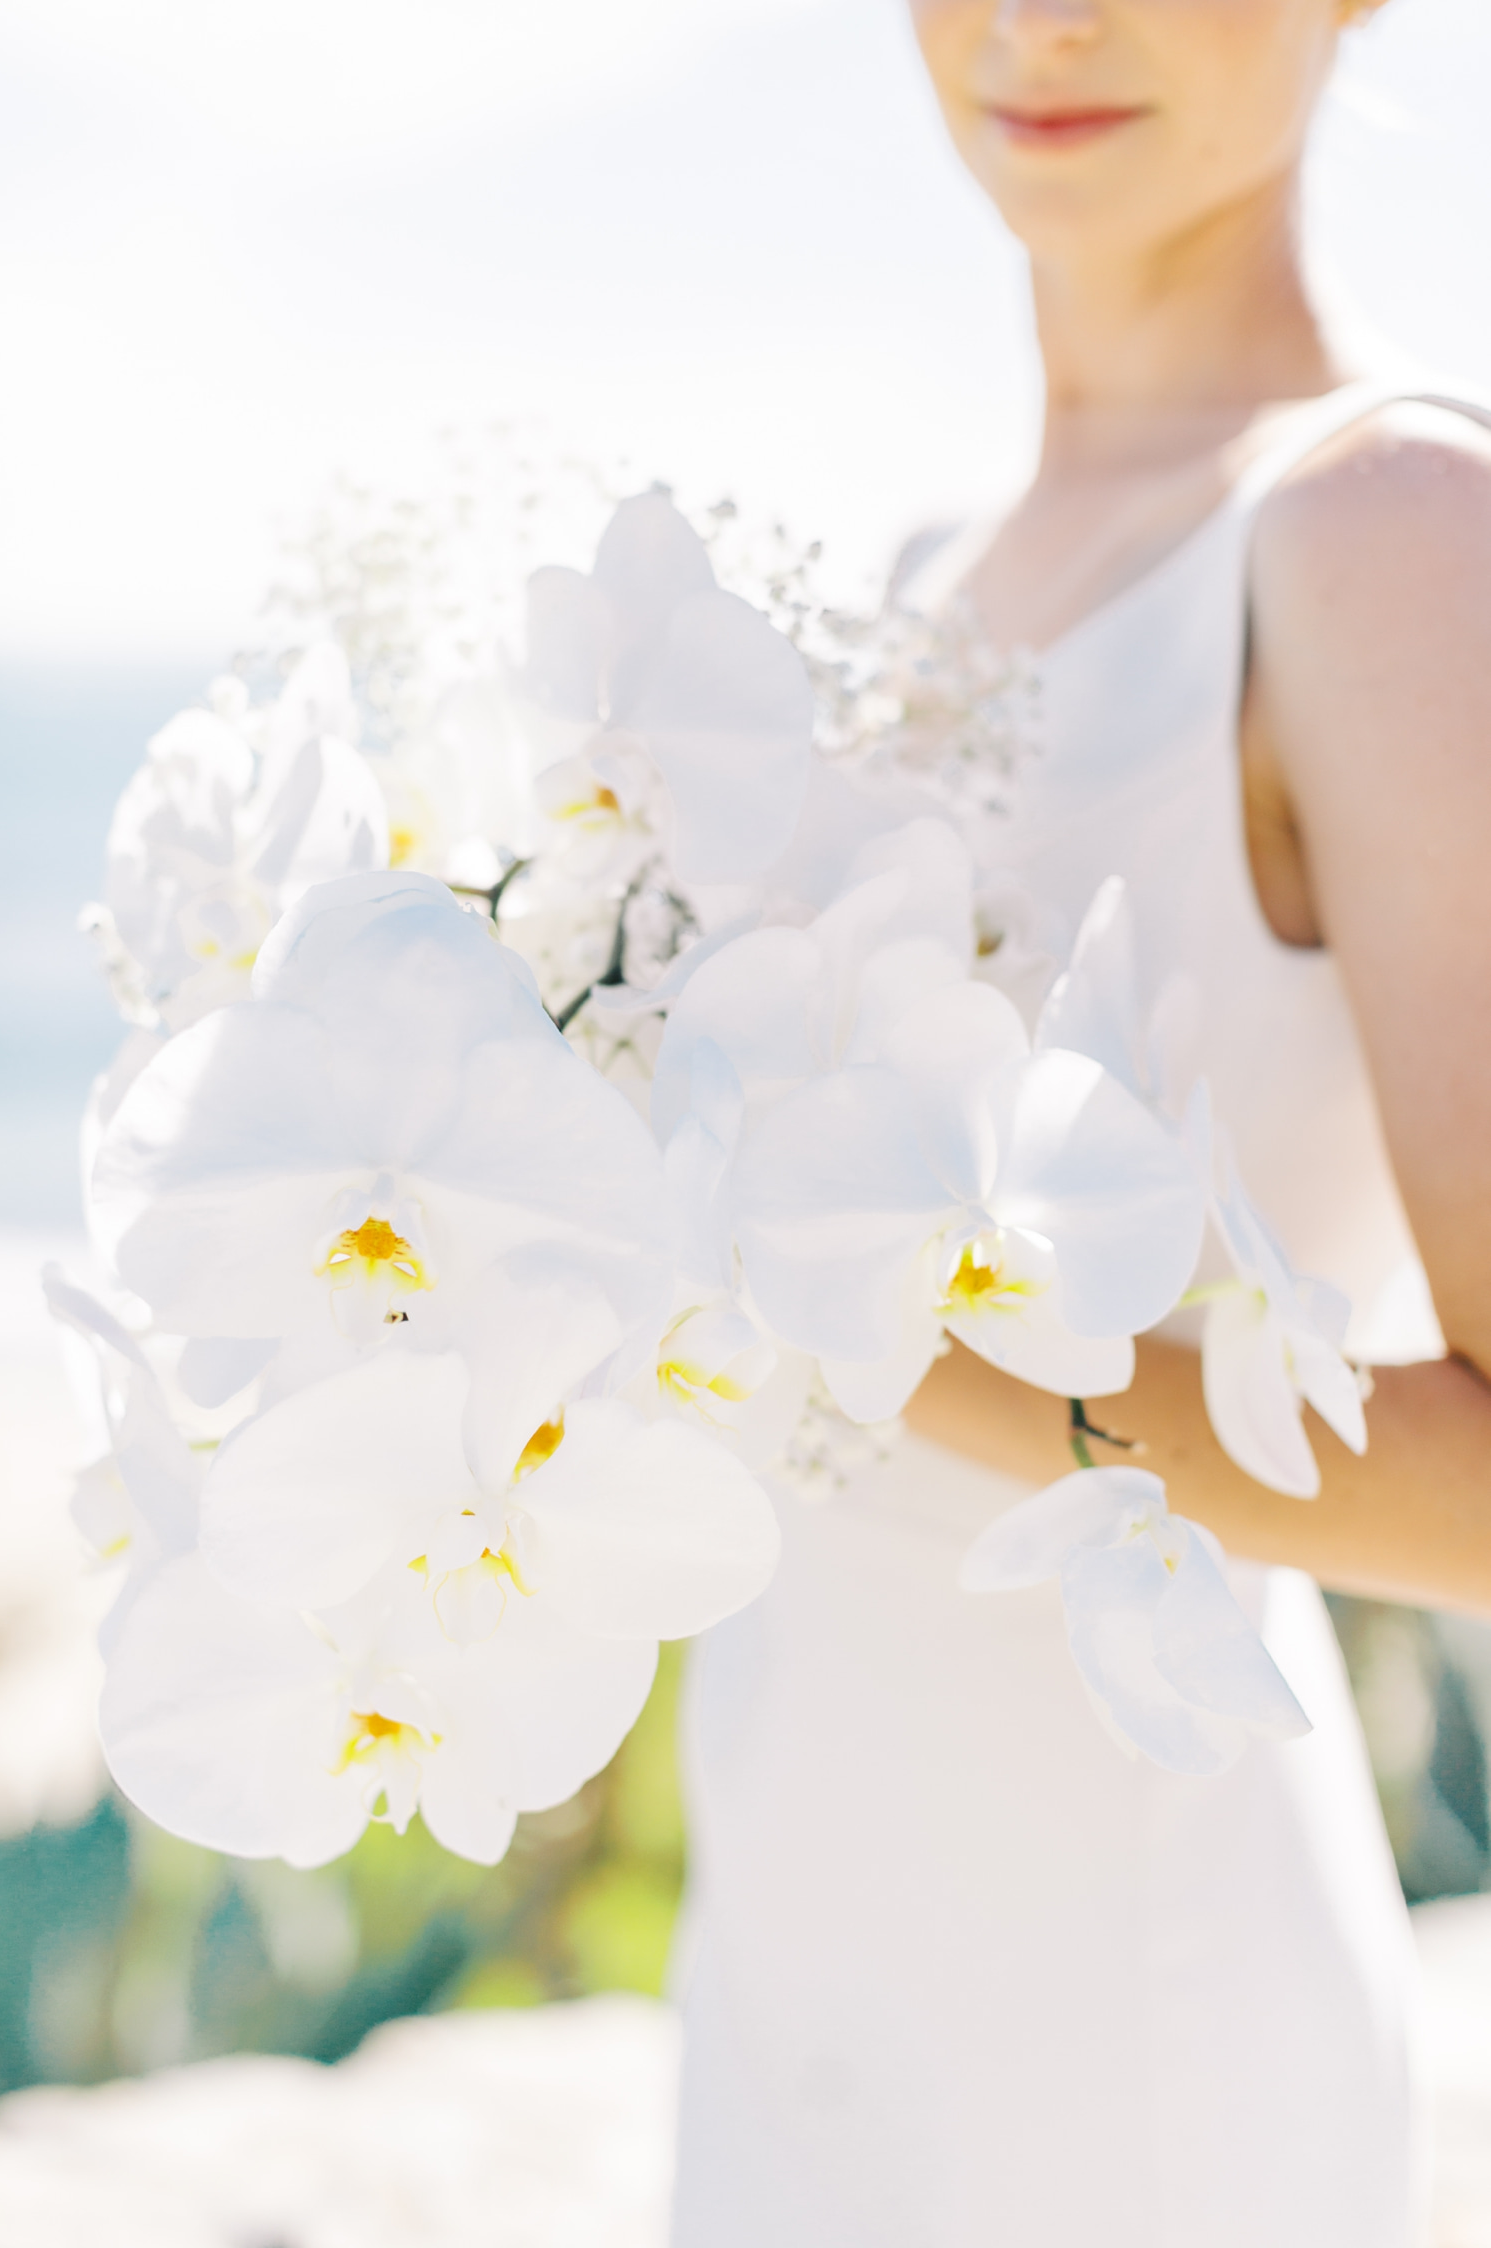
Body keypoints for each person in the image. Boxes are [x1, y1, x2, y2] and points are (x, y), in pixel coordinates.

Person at [668, 3, 1491, 2243]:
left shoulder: (1388, 528)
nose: (1045, 19)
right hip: (787, 1967)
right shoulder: (922, 570)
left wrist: (877, 1336)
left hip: (1129, 2040)